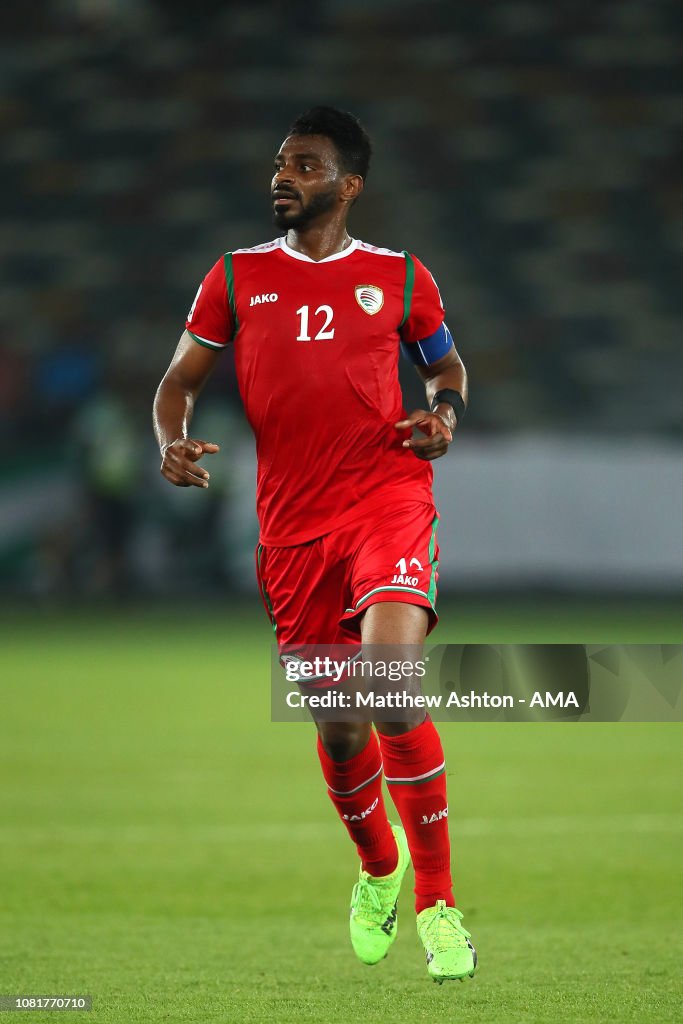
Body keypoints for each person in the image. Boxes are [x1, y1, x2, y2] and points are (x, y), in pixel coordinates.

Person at [153, 106, 476, 983]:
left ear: (348, 184)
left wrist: (441, 417)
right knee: (339, 729)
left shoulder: (402, 279)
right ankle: (379, 870)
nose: (281, 177)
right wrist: (169, 438)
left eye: (303, 165)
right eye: (279, 164)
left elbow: (445, 370)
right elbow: (177, 382)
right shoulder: (233, 278)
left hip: (386, 499)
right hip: (291, 528)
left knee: (389, 685)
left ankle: (438, 904)